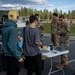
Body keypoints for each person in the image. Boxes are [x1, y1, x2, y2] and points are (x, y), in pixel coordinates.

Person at [2, 9, 24, 75]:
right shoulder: (13, 29)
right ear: (15, 17)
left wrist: (16, 39)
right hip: (12, 56)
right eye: (17, 17)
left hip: (7, 55)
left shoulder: (5, 27)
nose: (17, 19)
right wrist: (19, 57)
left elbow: (7, 40)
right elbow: (11, 46)